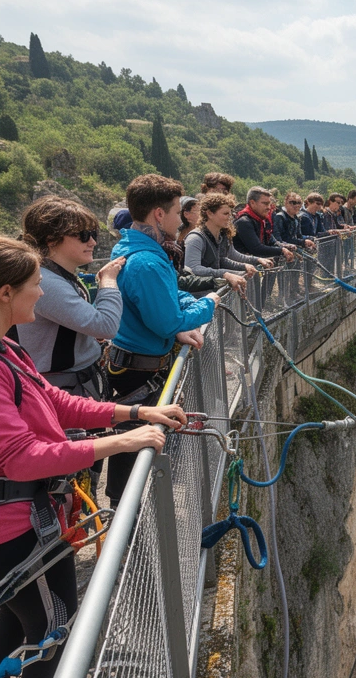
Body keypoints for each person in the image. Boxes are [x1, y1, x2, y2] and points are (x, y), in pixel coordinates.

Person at [0, 234, 186, 678]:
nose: (42, 293)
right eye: (35, 284)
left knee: (19, 620)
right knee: (55, 634)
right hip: (8, 534)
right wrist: (119, 442)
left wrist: (133, 412)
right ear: (5, 293)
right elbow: (18, 458)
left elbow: (55, 402)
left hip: (15, 525)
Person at [108, 174, 218, 504]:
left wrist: (184, 307)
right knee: (135, 447)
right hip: (140, 370)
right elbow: (168, 320)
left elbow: (169, 295)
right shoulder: (147, 262)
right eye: (175, 211)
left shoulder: (135, 249)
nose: (181, 219)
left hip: (133, 363)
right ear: (159, 214)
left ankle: (127, 506)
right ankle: (127, 512)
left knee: (136, 443)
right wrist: (207, 305)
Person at [15, 196, 123, 400]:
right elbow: (106, 326)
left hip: (71, 382)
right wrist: (108, 282)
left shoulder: (54, 275)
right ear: (51, 239)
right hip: (63, 387)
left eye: (93, 234)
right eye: (83, 235)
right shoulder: (46, 282)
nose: (92, 242)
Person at [185, 192, 275, 296]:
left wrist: (253, 262)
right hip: (196, 298)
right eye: (225, 214)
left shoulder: (222, 235)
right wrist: (225, 274)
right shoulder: (196, 238)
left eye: (230, 213)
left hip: (214, 295)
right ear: (209, 213)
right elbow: (194, 268)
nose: (230, 217)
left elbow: (229, 256)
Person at [234, 186, 295, 262]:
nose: (269, 207)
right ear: (252, 203)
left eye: (269, 204)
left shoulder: (261, 220)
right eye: (265, 204)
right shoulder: (244, 222)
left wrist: (286, 246)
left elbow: (271, 241)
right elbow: (257, 249)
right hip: (242, 266)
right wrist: (281, 250)